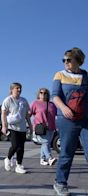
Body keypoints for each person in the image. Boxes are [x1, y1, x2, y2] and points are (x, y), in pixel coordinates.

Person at [52, 48, 88, 196]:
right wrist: (63, 107)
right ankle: (60, 183)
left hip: (85, 119)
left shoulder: (85, 75)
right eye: (64, 60)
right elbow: (55, 96)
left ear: (78, 61)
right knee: (67, 152)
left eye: (69, 59)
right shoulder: (60, 75)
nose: (66, 62)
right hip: (67, 119)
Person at [1, 82, 32, 174]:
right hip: (12, 127)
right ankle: (8, 158)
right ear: (12, 89)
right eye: (17, 88)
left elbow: (27, 115)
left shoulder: (24, 100)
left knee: (21, 148)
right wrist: (4, 126)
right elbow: (3, 114)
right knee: (15, 145)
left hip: (22, 128)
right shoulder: (8, 100)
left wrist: (30, 125)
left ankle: (19, 165)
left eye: (20, 88)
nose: (19, 90)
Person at [30, 88, 57, 166]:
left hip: (51, 127)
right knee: (45, 142)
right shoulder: (35, 103)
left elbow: (56, 115)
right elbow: (29, 113)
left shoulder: (52, 104)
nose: (43, 94)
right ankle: (50, 158)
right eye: (41, 92)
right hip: (41, 127)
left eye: (45, 93)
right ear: (38, 94)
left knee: (46, 144)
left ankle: (42, 159)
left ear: (47, 94)